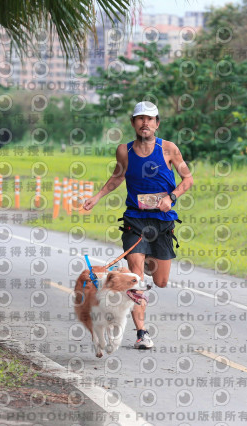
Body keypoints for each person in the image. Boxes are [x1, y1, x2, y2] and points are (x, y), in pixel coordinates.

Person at [83, 101, 194, 349]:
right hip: (135, 220)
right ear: (133, 123)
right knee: (137, 277)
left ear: (157, 123)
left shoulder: (169, 149)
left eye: (150, 119)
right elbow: (117, 177)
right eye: (140, 118)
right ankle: (141, 333)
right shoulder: (124, 151)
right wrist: (97, 197)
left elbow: (188, 179)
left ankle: (151, 266)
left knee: (162, 280)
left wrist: (171, 198)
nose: (145, 123)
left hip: (163, 222)